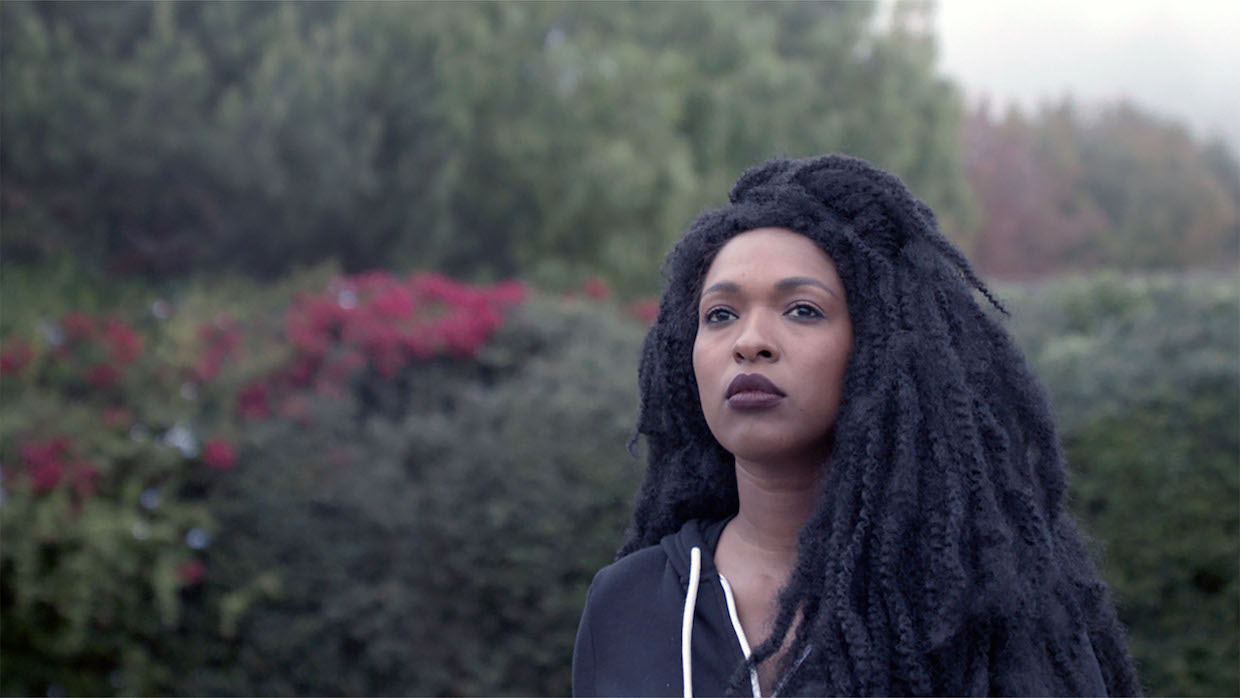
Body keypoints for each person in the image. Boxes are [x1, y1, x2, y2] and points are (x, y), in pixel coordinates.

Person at [571, 154, 1141, 697]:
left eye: (802, 310)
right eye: (720, 315)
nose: (750, 341)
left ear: (880, 350)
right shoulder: (627, 606)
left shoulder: (982, 605)